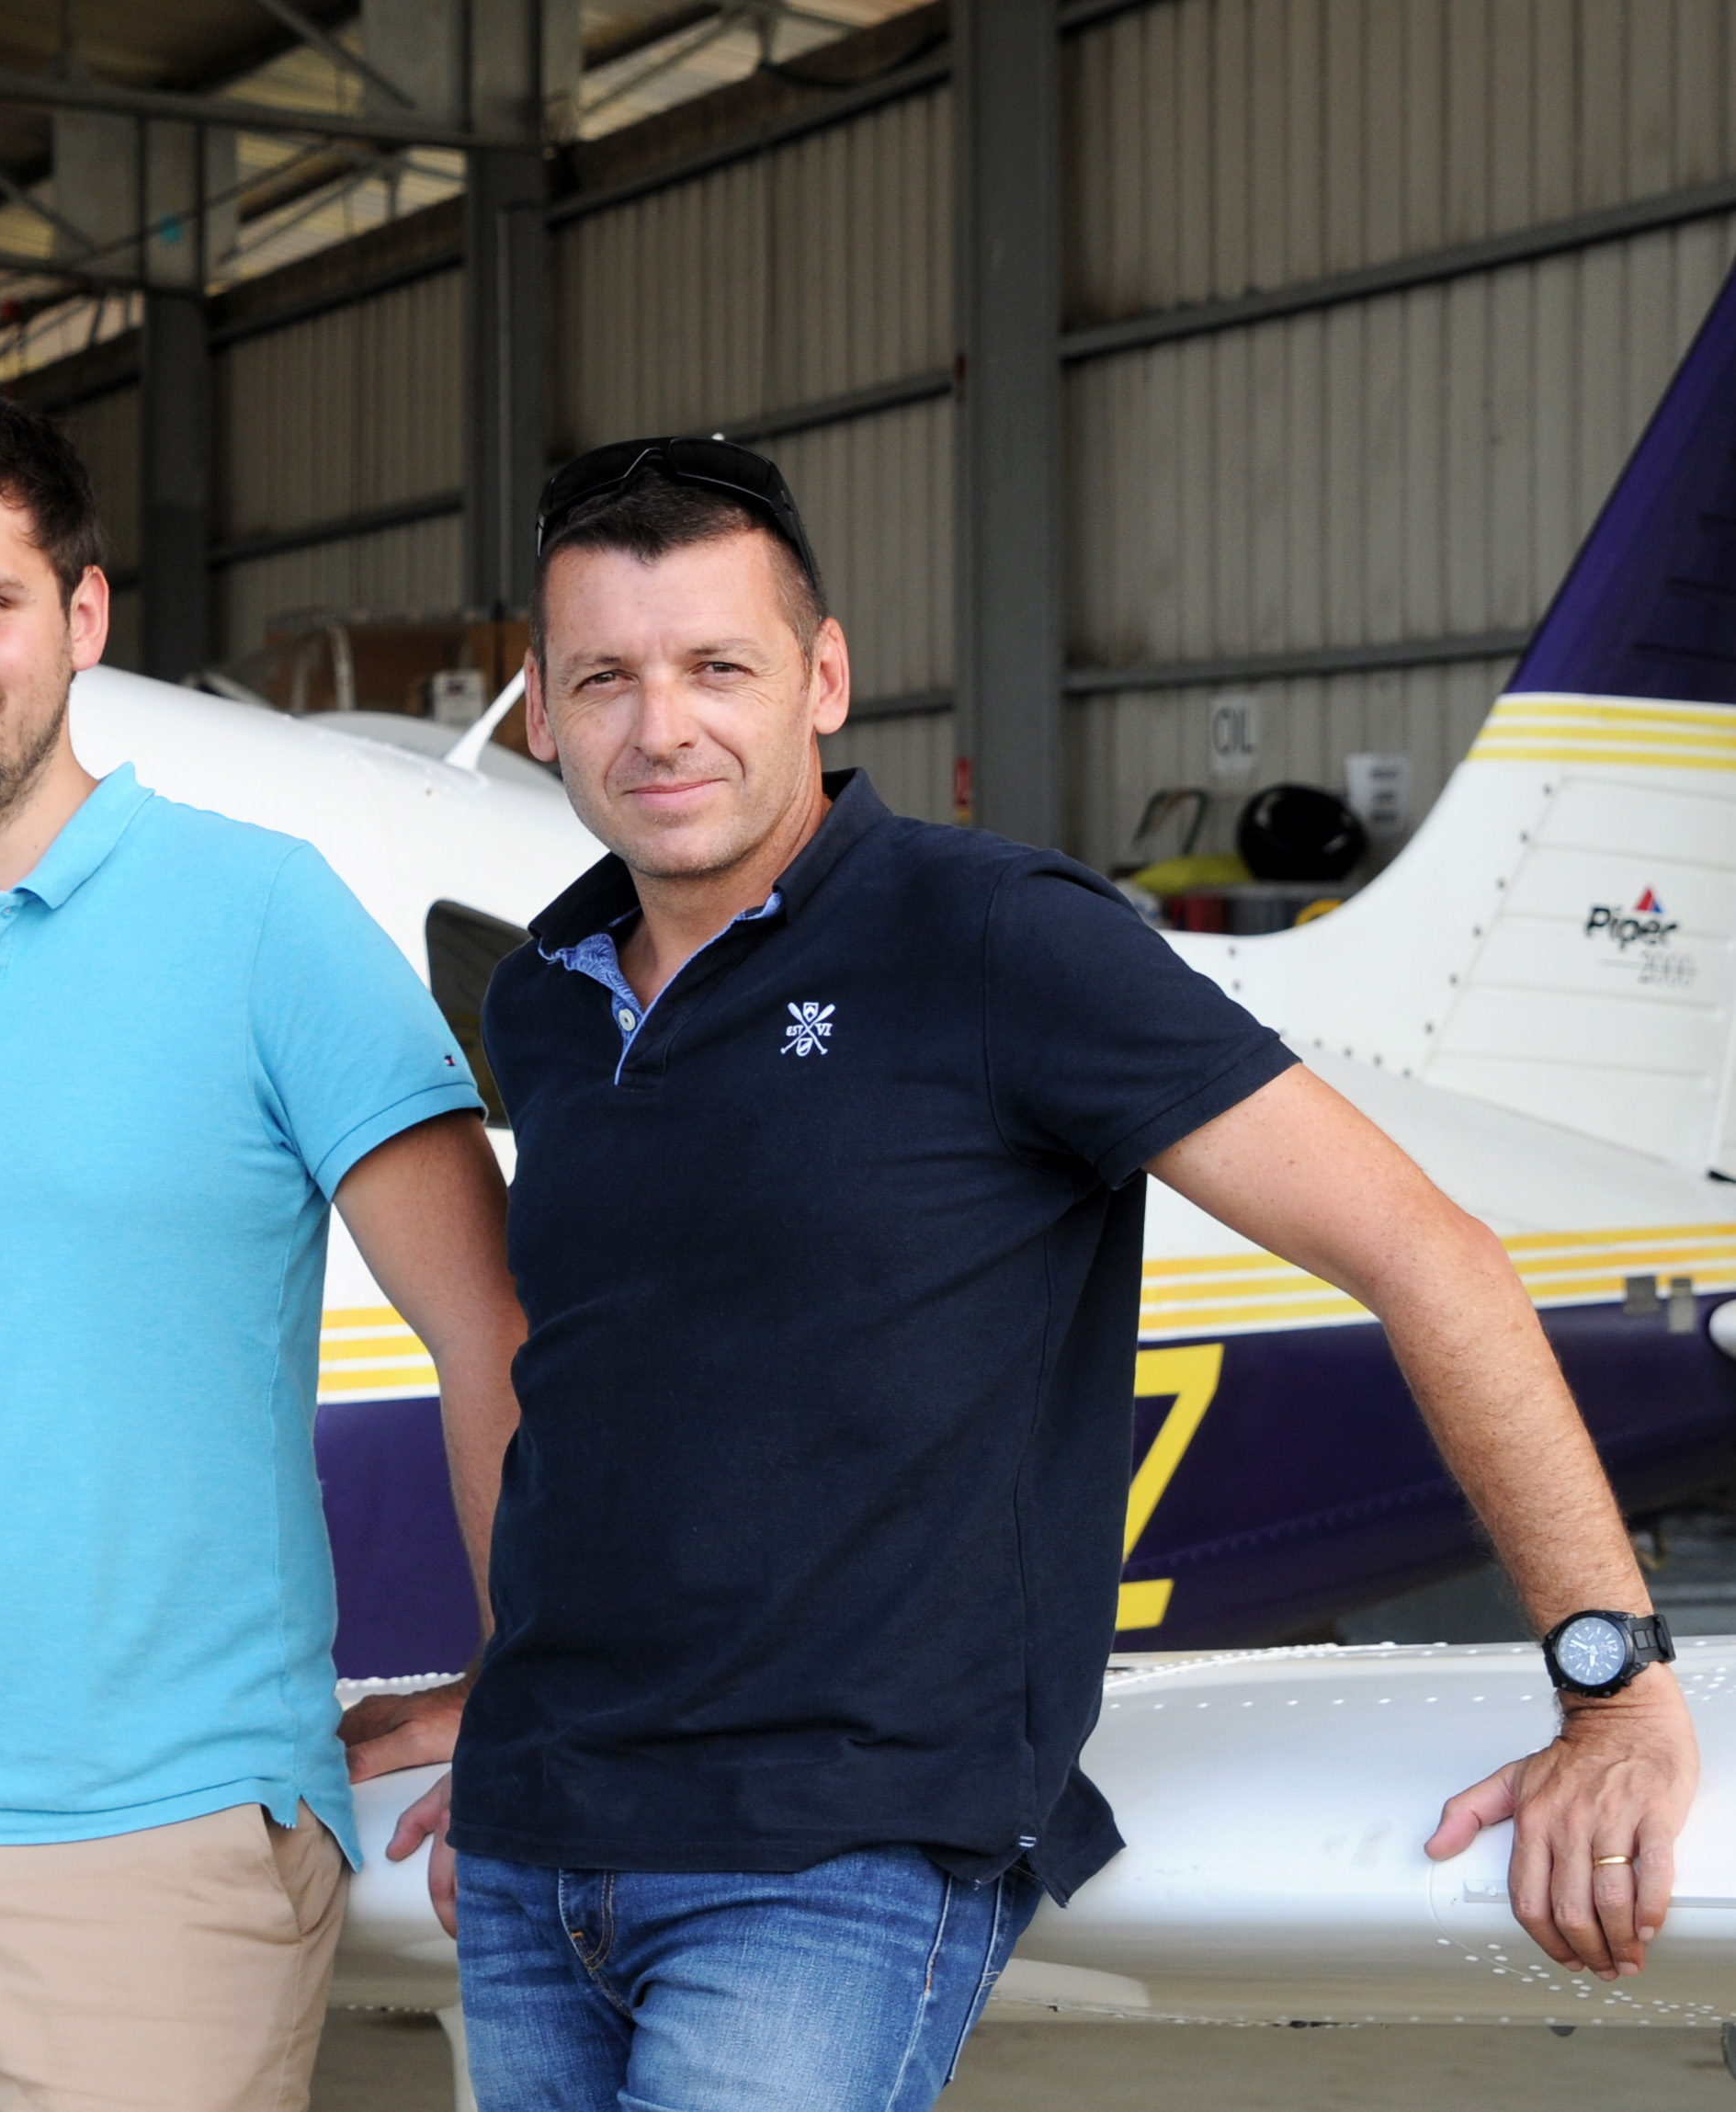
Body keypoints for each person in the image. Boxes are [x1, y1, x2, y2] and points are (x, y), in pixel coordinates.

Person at [335, 436, 1702, 2109]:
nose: (660, 725)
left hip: (830, 1858)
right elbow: (575, 1370)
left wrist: (1610, 1689)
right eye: (603, 677)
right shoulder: (547, 991)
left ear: (824, 680)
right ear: (542, 711)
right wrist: (514, 1679)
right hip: (541, 1838)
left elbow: (1432, 1253)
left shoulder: (994, 935)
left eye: (718, 667)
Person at [0, 378, 528, 2112]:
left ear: (83, 616)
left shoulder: (266, 915)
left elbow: (492, 1335)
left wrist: (537, 1681)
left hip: (160, 1846)